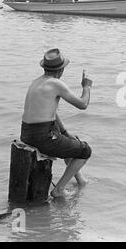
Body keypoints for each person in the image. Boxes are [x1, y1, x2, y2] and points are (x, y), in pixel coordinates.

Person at [21, 48, 93, 198]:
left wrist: (65, 132)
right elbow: (82, 104)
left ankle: (81, 181)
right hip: (42, 136)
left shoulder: (37, 82)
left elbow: (53, 111)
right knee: (85, 151)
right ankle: (59, 190)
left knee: (69, 141)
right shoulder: (56, 84)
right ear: (61, 70)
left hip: (27, 133)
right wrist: (86, 86)